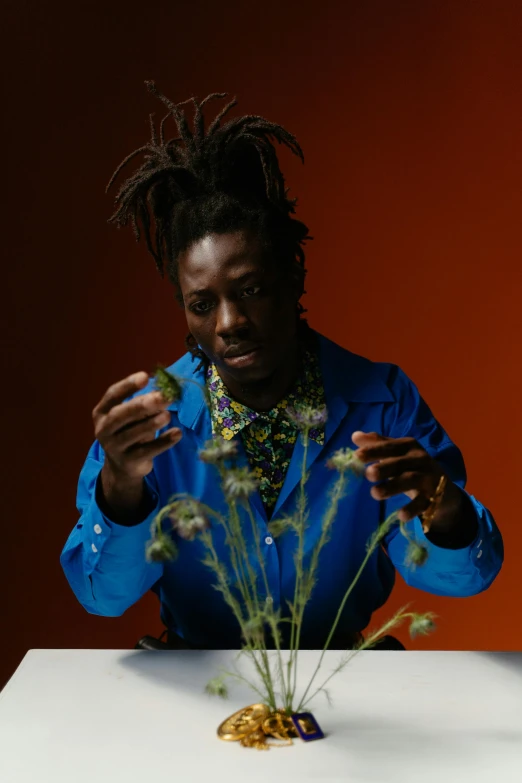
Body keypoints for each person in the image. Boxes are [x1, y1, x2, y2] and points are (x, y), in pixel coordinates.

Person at [61, 82, 503, 650]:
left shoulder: (383, 401)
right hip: (199, 697)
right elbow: (103, 597)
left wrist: (444, 504)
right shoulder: (146, 425)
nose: (229, 322)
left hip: (346, 691)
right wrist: (120, 486)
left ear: (293, 277)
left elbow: (465, 578)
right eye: (202, 304)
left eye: (250, 290)